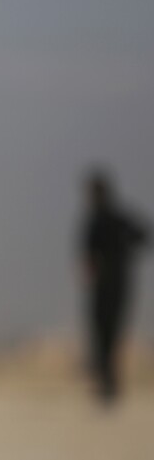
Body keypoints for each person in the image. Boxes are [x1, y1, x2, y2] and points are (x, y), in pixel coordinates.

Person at [79, 168, 149, 403]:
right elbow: (143, 237)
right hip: (120, 285)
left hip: (105, 286)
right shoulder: (120, 218)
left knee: (103, 336)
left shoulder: (97, 221)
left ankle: (108, 385)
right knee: (110, 336)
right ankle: (109, 385)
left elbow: (87, 259)